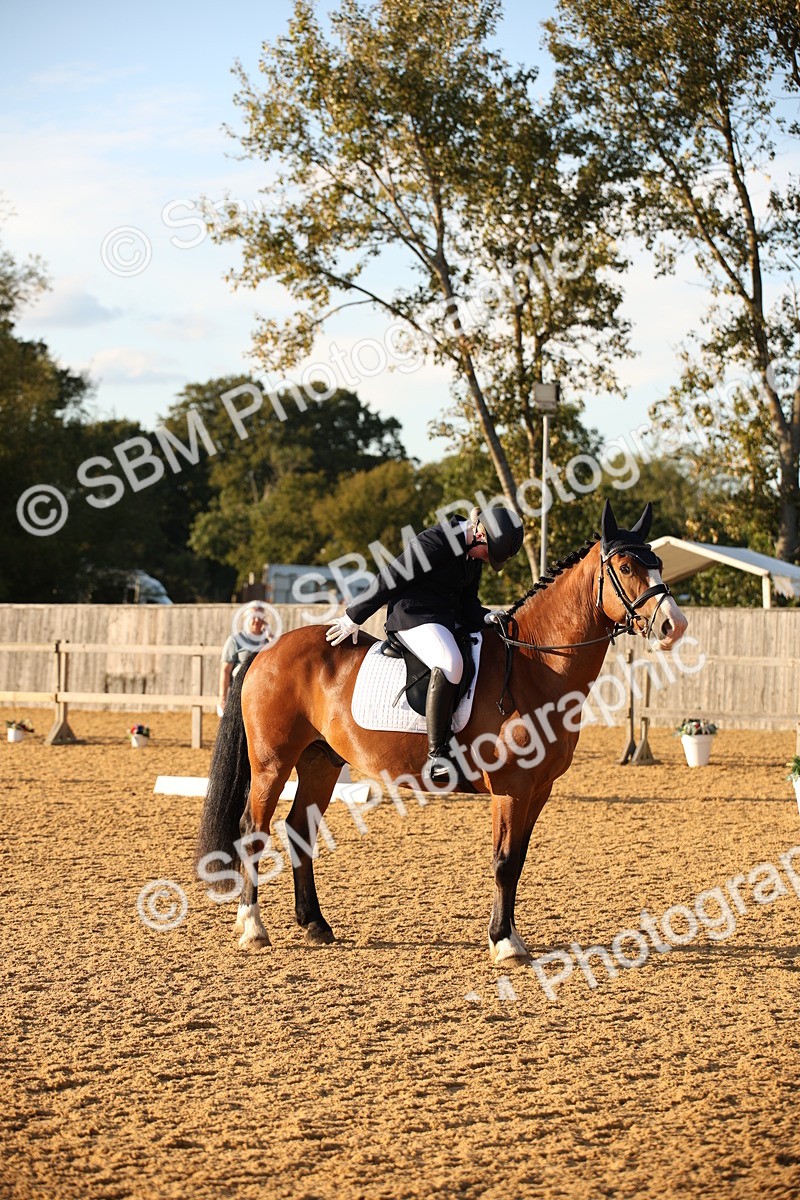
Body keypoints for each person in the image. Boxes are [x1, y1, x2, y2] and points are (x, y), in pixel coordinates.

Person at [326, 505, 524, 782]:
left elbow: (468, 603)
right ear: (480, 534)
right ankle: (437, 755)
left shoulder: (472, 557)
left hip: (444, 620)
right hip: (413, 616)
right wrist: (354, 616)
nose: (486, 560)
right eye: (488, 553)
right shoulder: (437, 540)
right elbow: (392, 576)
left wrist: (487, 615)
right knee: (450, 662)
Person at [218, 603, 270, 712]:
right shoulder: (235, 640)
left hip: (263, 694)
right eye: (253, 616)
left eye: (259, 616)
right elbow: (225, 670)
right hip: (239, 693)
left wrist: (269, 635)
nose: (256, 620)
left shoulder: (268, 641)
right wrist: (223, 697)